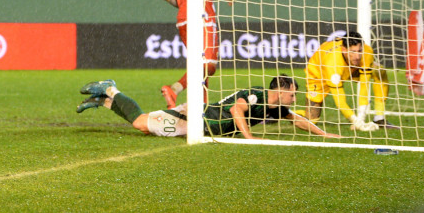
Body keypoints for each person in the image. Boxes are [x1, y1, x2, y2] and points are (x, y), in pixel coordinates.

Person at [76, 76, 340, 140]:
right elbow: (237, 111)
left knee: (144, 126)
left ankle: (106, 101)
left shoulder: (277, 109)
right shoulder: (257, 96)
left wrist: (325, 135)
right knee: (140, 123)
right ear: (280, 91)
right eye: (292, 94)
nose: (294, 99)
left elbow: (299, 120)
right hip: (196, 116)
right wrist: (249, 138)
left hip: (200, 127)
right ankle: (111, 89)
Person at [303, 29, 397, 131]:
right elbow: (340, 100)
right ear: (344, 50)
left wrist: (361, 119)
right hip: (318, 74)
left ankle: (379, 118)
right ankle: (290, 114)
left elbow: (364, 87)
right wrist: (357, 123)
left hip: (351, 69)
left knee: (379, 71)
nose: (357, 56)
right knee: (311, 122)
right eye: (353, 51)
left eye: (359, 51)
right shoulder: (332, 62)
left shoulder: (366, 52)